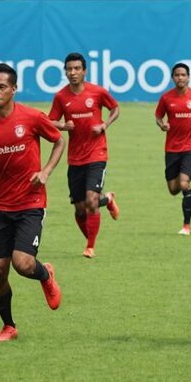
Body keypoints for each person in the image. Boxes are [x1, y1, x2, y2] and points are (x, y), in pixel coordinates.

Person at [0, 63, 66, 342]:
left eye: (1, 87)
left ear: (13, 89)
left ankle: (45, 276)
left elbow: (58, 141)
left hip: (30, 202)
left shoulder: (32, 117)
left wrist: (45, 172)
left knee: (23, 264)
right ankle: (9, 326)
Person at [47, 52, 121, 258]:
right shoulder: (61, 97)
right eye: (69, 69)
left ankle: (90, 246)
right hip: (75, 158)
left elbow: (115, 108)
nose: (73, 72)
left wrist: (105, 124)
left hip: (97, 154)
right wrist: (63, 125)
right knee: (80, 209)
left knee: (90, 200)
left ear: (84, 71)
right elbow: (49, 121)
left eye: (77, 68)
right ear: (65, 71)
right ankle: (107, 199)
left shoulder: (97, 92)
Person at [154, 63, 191, 235]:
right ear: (173, 78)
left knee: (185, 184)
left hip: (190, 147)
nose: (180, 78)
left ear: (188, 77)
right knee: (173, 189)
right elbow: (158, 116)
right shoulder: (166, 98)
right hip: (172, 148)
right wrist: (162, 125)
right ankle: (183, 183)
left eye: (183, 75)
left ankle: (186, 225)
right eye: (177, 75)